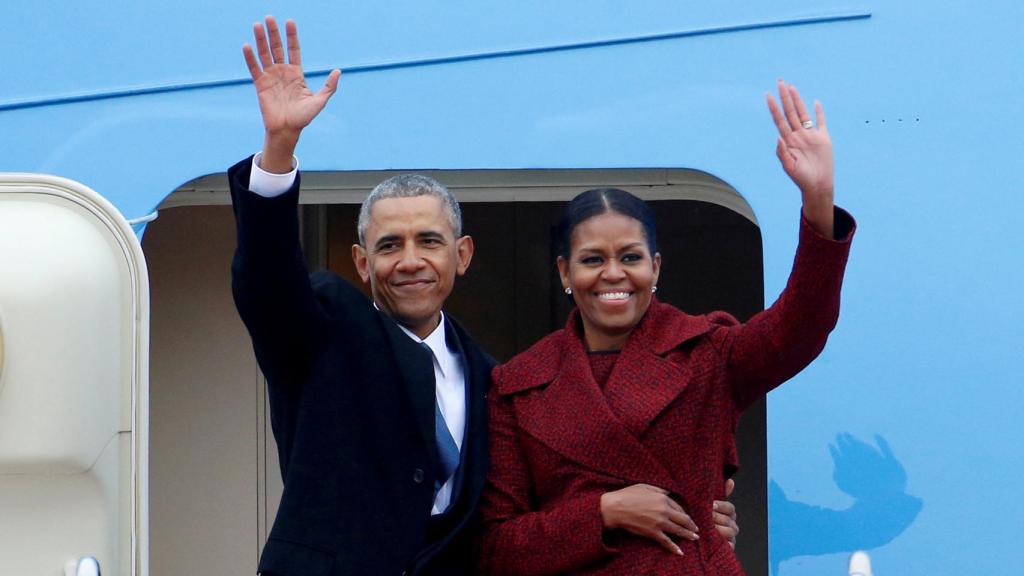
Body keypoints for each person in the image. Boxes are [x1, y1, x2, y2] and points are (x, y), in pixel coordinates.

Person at [229, 16, 739, 576]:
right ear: (361, 262)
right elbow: (267, 287)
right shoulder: (324, 329)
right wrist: (279, 150)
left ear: (462, 255)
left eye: (429, 241)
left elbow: (531, 510)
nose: (410, 261)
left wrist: (689, 505)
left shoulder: (496, 380)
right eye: (389, 245)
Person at [477, 80, 855, 575]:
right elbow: (496, 549)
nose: (614, 273)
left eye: (630, 257)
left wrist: (818, 198)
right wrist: (605, 512)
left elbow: (801, 327)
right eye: (593, 259)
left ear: (655, 268)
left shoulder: (708, 353)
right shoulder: (516, 387)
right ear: (565, 273)